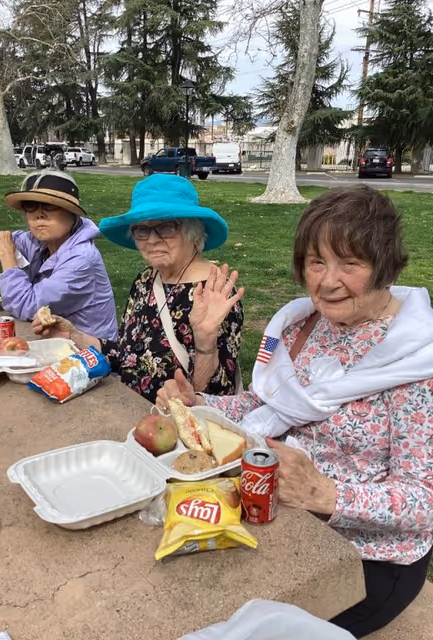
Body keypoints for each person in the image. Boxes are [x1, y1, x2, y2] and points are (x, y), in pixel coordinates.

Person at [157, 185, 433, 639]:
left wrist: (324, 494)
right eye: (317, 261)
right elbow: (269, 406)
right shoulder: (304, 323)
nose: (327, 281)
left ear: (384, 265)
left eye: (351, 263)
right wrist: (200, 406)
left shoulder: (415, 359)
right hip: (283, 518)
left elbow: (422, 500)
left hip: (367, 558)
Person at [33, 173, 244, 403]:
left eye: (166, 227)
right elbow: (127, 355)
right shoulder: (146, 280)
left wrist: (205, 343)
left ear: (193, 232)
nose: (151, 240)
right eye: (141, 230)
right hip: (128, 413)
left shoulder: (215, 293)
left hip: (172, 425)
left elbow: (215, 395)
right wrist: (73, 335)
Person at [0, 149, 118, 339]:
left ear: (72, 214)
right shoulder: (36, 242)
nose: (39, 213)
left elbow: (27, 306)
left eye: (50, 205)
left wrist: (8, 258)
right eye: (30, 205)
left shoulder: (81, 258)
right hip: (53, 343)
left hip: (90, 356)